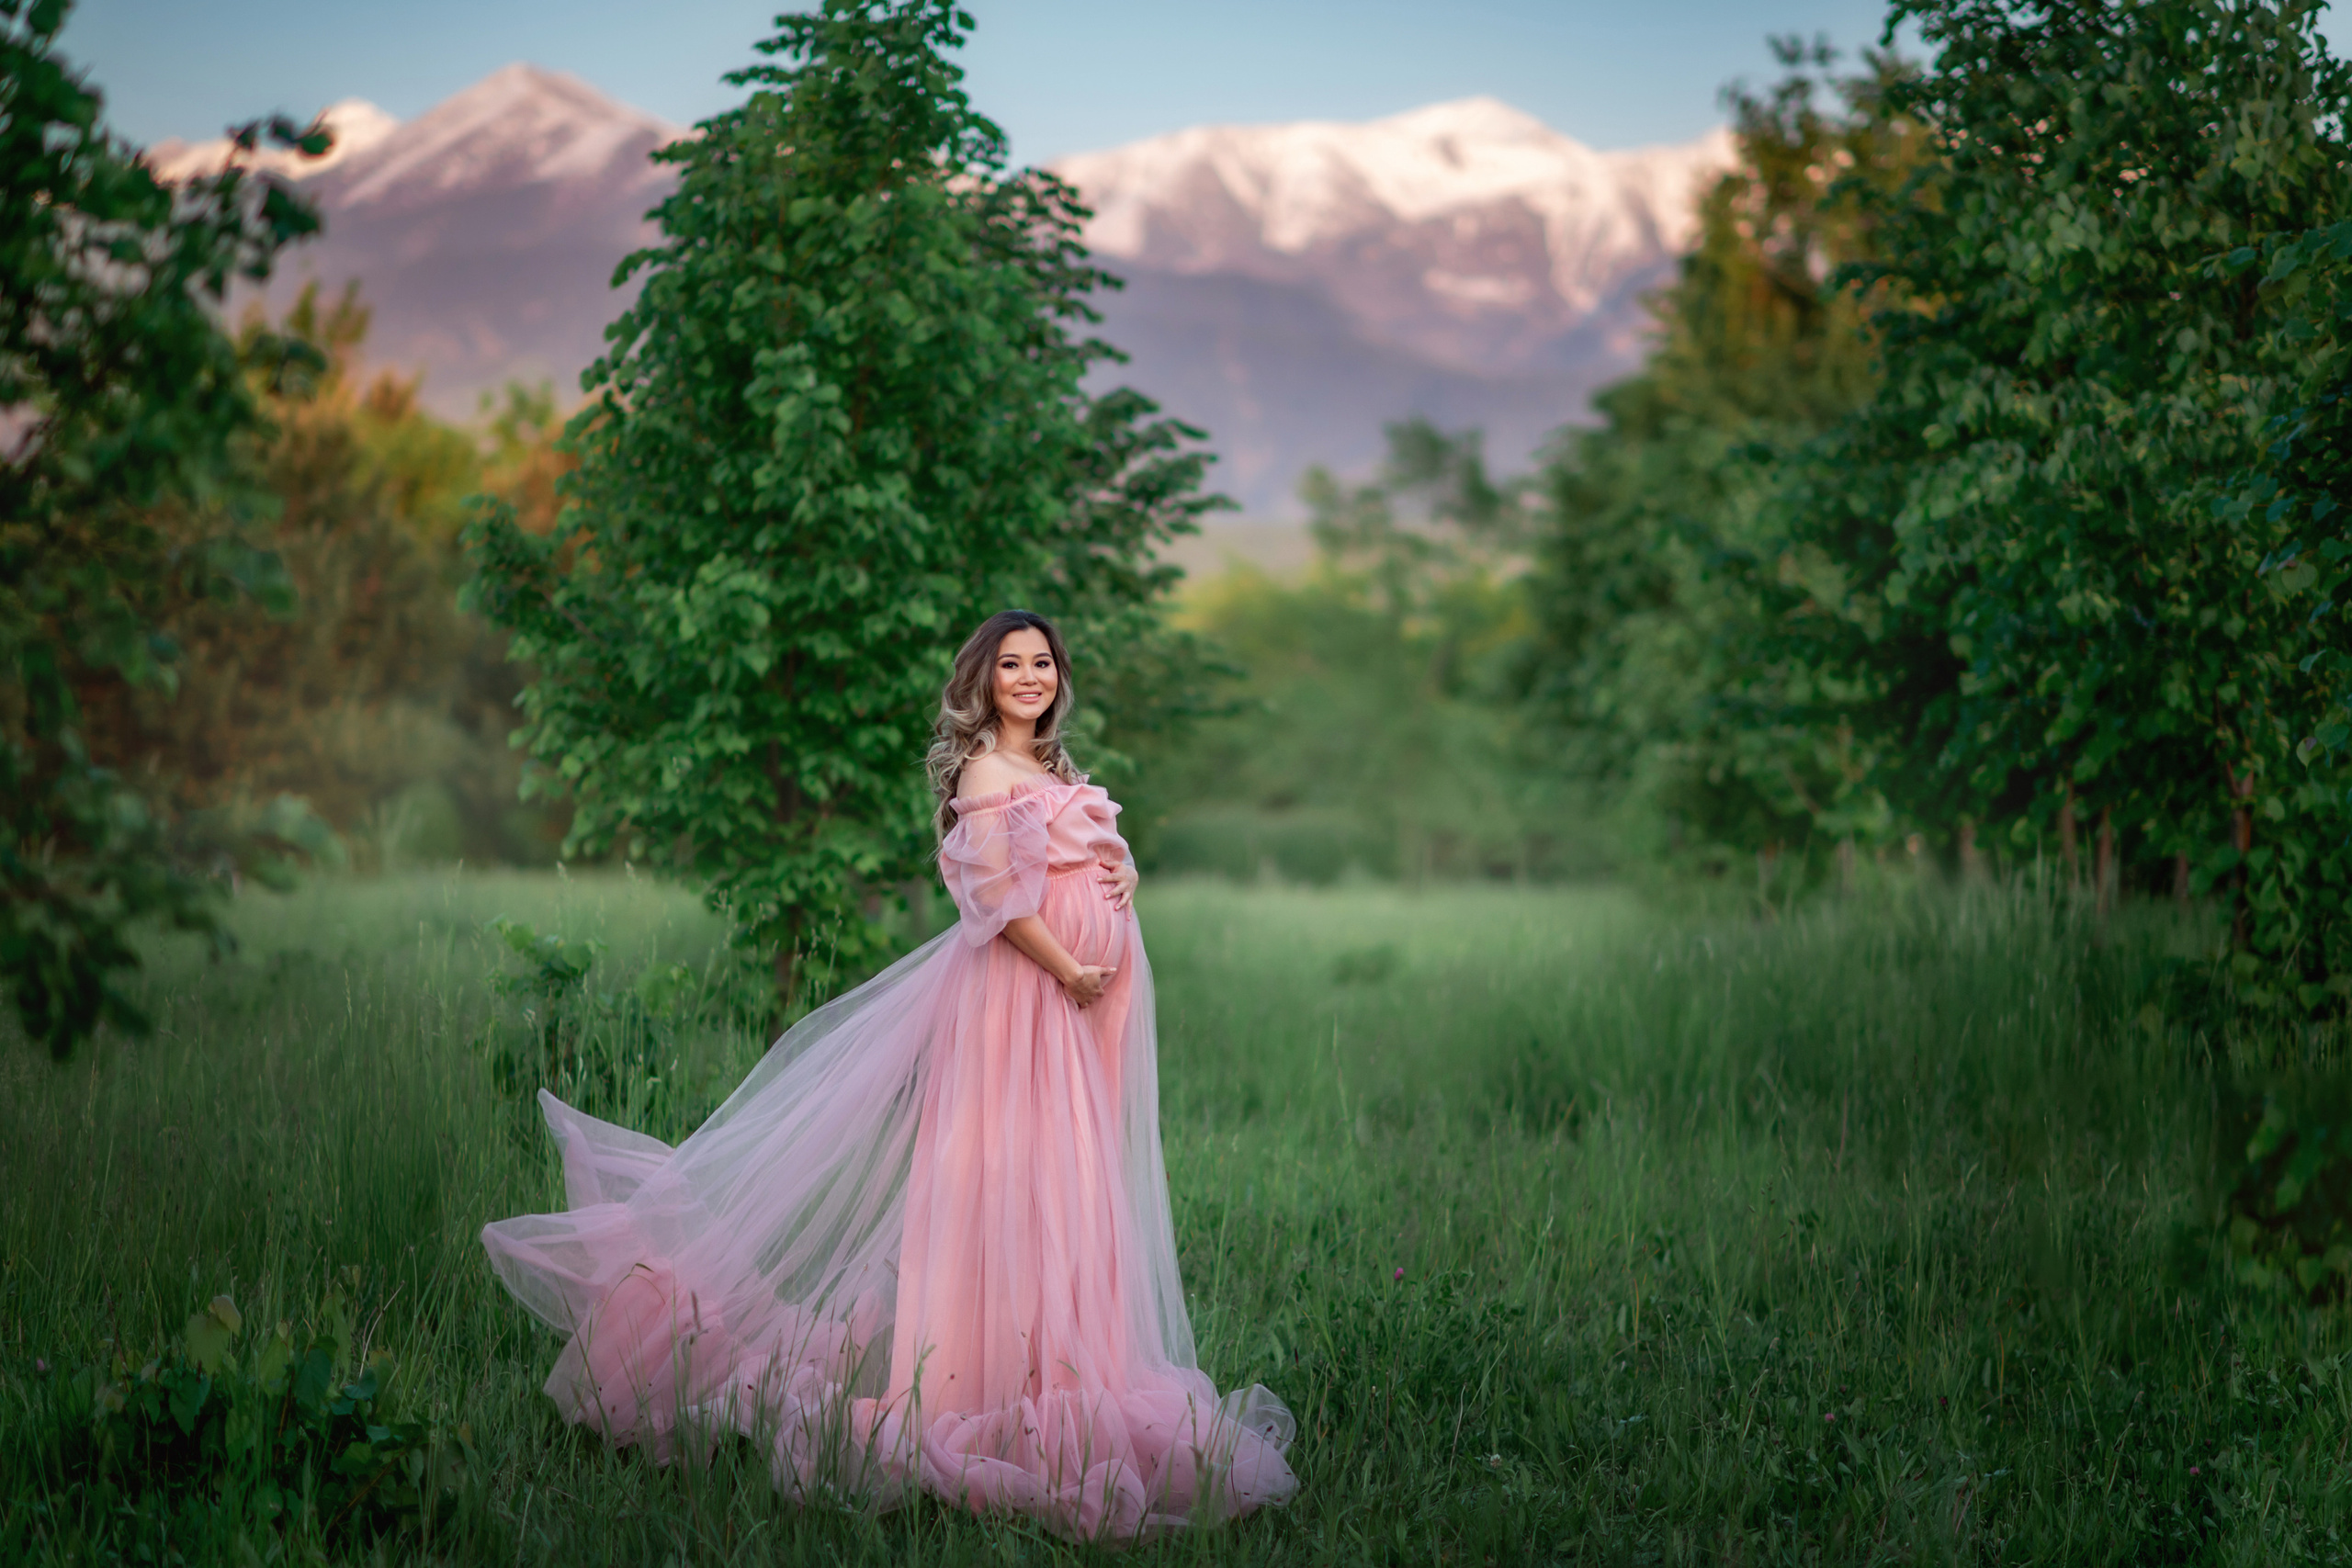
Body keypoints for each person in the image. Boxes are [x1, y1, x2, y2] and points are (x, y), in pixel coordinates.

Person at [481, 609, 1297, 1540]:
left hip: (1066, 1025)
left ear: (1059, 676)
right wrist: (1070, 966)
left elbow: (1087, 856)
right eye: (1010, 665)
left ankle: (1052, 1366)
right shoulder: (988, 769)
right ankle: (976, 1383)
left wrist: (1122, 881)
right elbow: (993, 899)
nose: (1028, 677)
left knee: (1060, 1192)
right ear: (983, 681)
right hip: (1019, 1009)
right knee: (999, 1186)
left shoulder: (1054, 770)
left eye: (1042, 663)